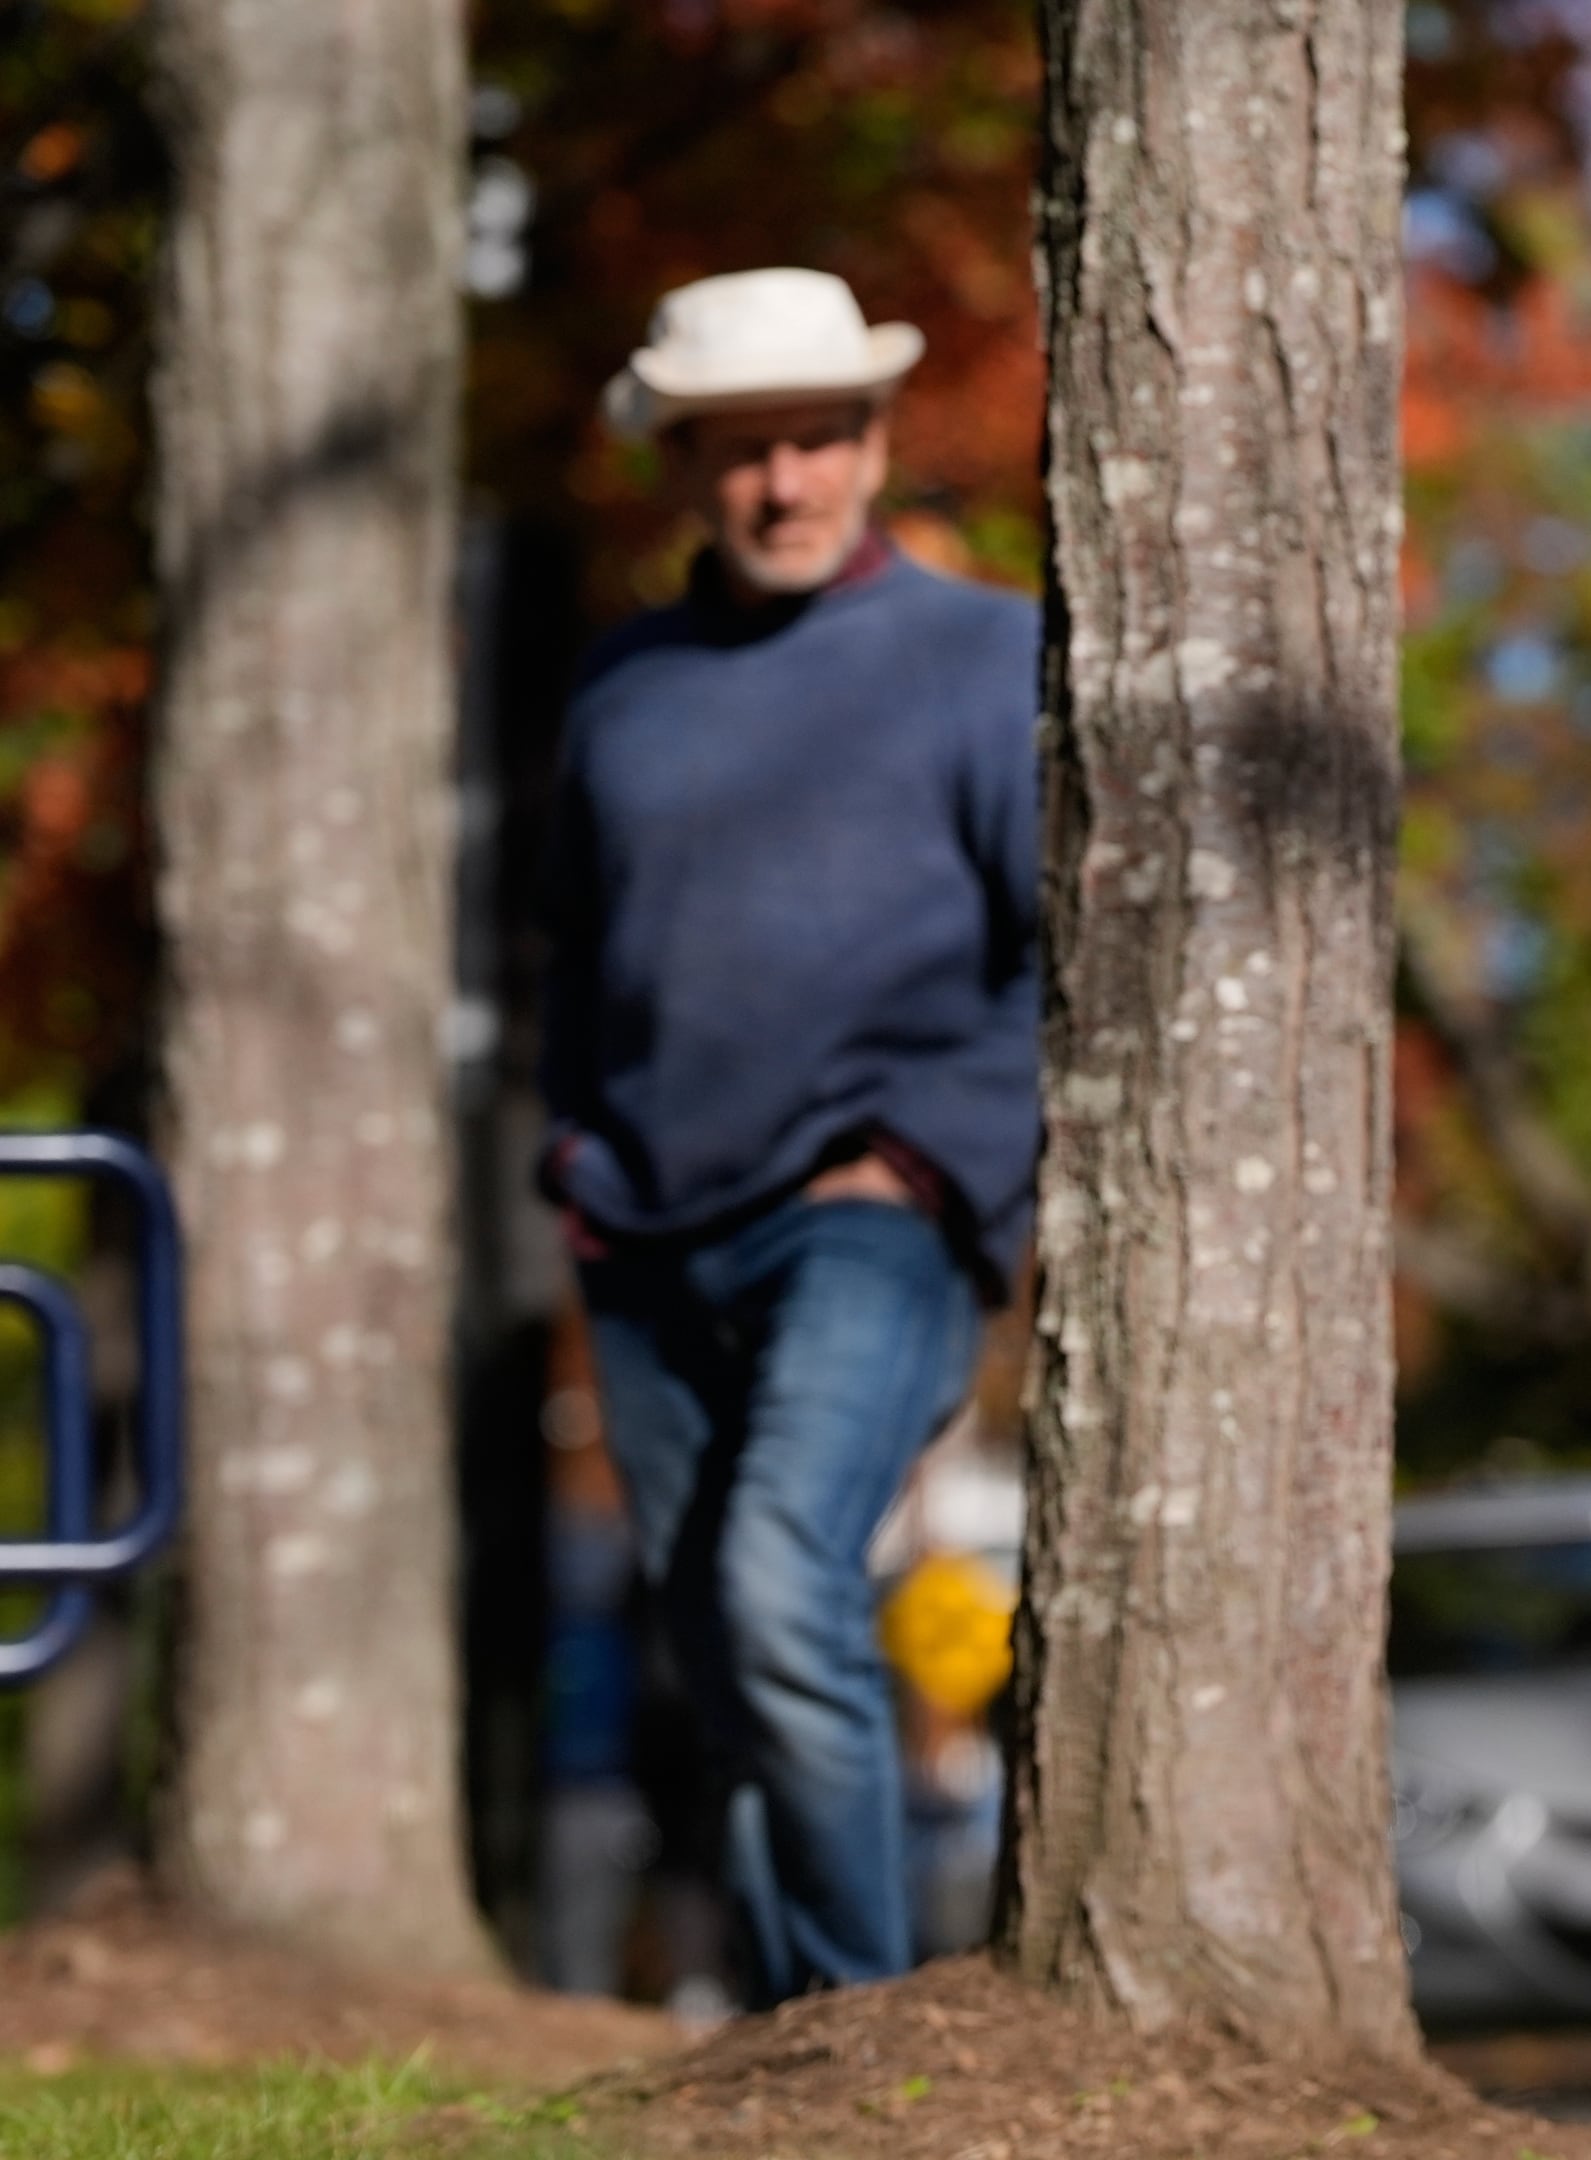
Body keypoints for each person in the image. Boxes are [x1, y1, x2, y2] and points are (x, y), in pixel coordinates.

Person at [540, 267, 1039, 2004]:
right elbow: (576, 967)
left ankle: (852, 2027)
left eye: (817, 441)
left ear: (877, 441)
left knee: (775, 1583)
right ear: (684, 466)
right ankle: (778, 2033)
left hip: (871, 1217)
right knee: (721, 1653)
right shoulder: (623, 691)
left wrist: (928, 1168)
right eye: (744, 450)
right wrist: (578, 1183)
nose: (785, 484)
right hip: (649, 1233)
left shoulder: (986, 660)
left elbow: (1060, 956)